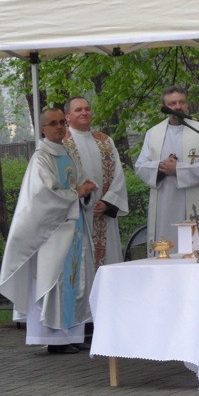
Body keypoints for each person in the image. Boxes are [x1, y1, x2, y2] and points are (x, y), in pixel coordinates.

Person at [0, 108, 97, 354]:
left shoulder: (68, 152)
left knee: (75, 280)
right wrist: (77, 193)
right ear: (43, 128)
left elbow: (81, 182)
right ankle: (54, 339)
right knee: (55, 282)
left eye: (62, 122)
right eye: (53, 124)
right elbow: (43, 196)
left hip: (72, 228)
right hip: (52, 231)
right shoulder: (41, 158)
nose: (59, 127)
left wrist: (88, 189)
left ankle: (72, 333)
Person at [134, 85, 199, 254]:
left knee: (197, 249)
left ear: (187, 105)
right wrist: (160, 167)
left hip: (197, 201)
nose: (178, 107)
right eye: (172, 103)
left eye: (182, 102)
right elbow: (141, 166)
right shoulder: (153, 133)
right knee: (168, 245)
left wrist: (178, 169)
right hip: (166, 203)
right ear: (165, 108)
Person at [63, 96, 129, 268]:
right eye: (78, 110)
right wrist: (85, 202)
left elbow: (118, 176)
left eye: (87, 108)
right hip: (77, 217)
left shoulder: (105, 141)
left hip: (104, 216)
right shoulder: (62, 143)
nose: (84, 112)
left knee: (108, 266)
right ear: (67, 117)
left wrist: (107, 203)